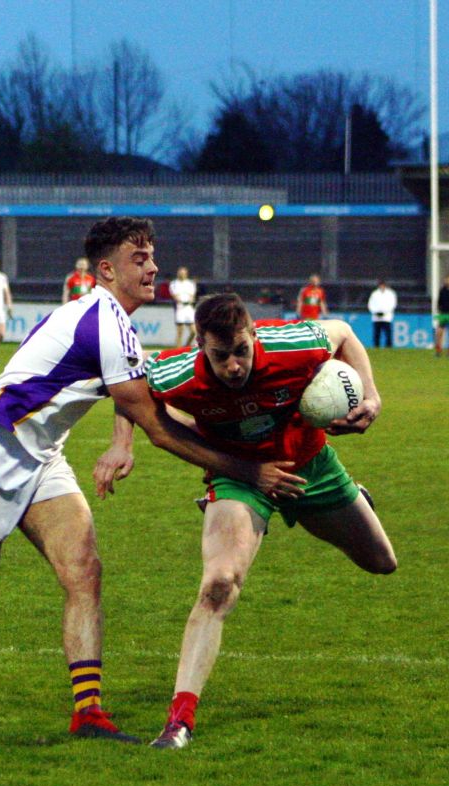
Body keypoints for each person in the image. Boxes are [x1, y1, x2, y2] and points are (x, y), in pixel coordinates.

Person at [0, 218, 306, 743]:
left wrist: (128, 443)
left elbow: (147, 402)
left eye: (152, 254)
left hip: (42, 457)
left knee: (84, 571)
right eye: (139, 257)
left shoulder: (116, 323)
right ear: (107, 269)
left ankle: (88, 713)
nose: (153, 266)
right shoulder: (104, 321)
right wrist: (247, 469)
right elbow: (157, 426)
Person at [100, 292, 396, 749]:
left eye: (242, 350)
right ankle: (179, 722)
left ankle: (346, 500)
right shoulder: (177, 370)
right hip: (240, 477)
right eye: (221, 356)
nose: (234, 365)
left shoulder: (292, 344)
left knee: (381, 562)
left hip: (308, 467)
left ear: (254, 334)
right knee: (219, 584)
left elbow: (346, 333)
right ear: (201, 345)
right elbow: (131, 395)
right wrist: (123, 443)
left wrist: (371, 398)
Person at [168, 266, 198, 348]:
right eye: (180, 273)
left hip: (189, 309)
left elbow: (192, 295)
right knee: (180, 332)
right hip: (180, 308)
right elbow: (175, 296)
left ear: (186, 274)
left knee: (194, 331)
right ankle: (178, 351)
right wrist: (182, 301)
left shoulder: (190, 284)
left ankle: (186, 347)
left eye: (183, 273)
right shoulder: (174, 284)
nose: (182, 274)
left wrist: (190, 300)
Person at [367, 279, 397, 348]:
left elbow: (392, 304)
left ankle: (388, 347)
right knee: (377, 334)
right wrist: (376, 312)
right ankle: (376, 347)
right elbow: (370, 304)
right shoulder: (374, 294)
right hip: (376, 317)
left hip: (386, 317)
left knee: (388, 334)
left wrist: (384, 312)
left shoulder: (390, 294)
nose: (382, 286)